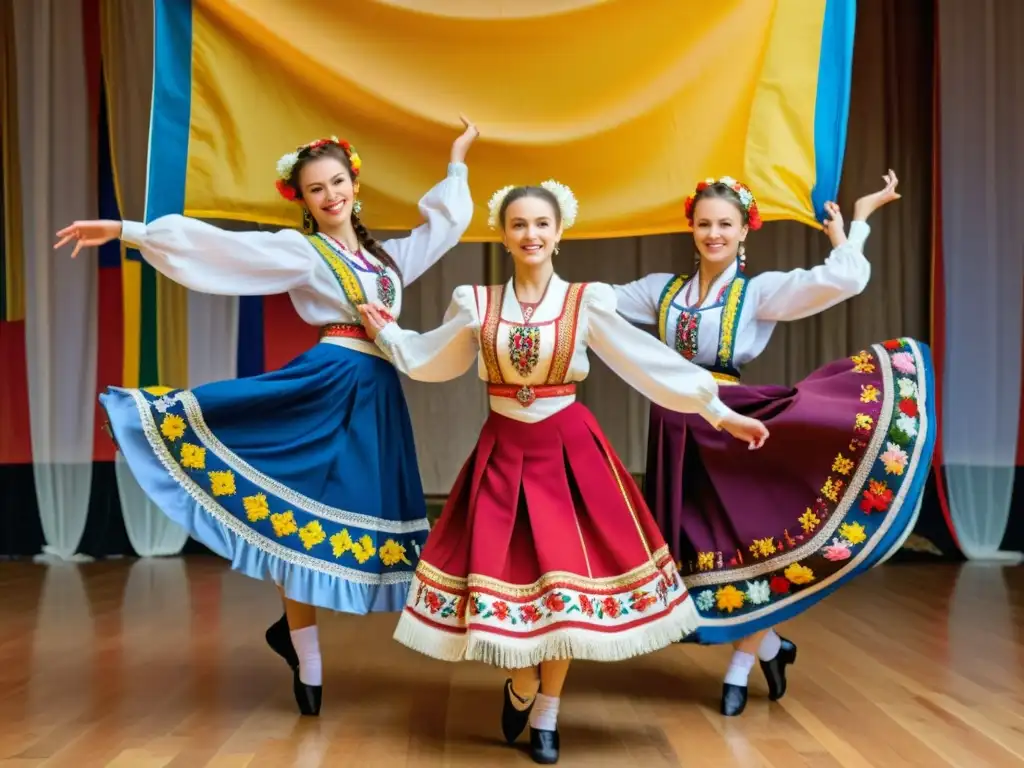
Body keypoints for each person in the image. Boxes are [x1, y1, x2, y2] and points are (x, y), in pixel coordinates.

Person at [53, 118, 479, 717]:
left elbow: (446, 226)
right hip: (323, 385)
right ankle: (308, 657)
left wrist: (457, 161)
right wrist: (129, 230)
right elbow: (221, 250)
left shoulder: (388, 263)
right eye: (316, 189)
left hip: (376, 396)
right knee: (288, 514)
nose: (331, 196)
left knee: (351, 518)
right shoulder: (302, 252)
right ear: (301, 200)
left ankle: (294, 637)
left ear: (355, 185)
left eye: (338, 183)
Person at [355, 180, 769, 763]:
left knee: (565, 585)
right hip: (502, 452)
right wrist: (388, 335)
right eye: (519, 225)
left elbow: (648, 363)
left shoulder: (587, 301)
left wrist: (721, 414)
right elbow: (431, 358)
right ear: (503, 235)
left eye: (541, 225)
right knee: (514, 576)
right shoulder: (476, 303)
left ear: (559, 233)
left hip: (569, 452)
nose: (531, 235)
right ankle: (522, 681)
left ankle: (547, 710)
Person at [614, 172, 935, 716]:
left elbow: (845, 279)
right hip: (674, 429)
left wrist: (852, 225)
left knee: (746, 540)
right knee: (691, 553)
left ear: (745, 231)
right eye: (704, 224)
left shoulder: (756, 292)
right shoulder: (658, 290)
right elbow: (592, 304)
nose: (713, 233)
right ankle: (771, 646)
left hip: (731, 426)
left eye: (725, 225)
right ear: (690, 228)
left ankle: (740, 666)